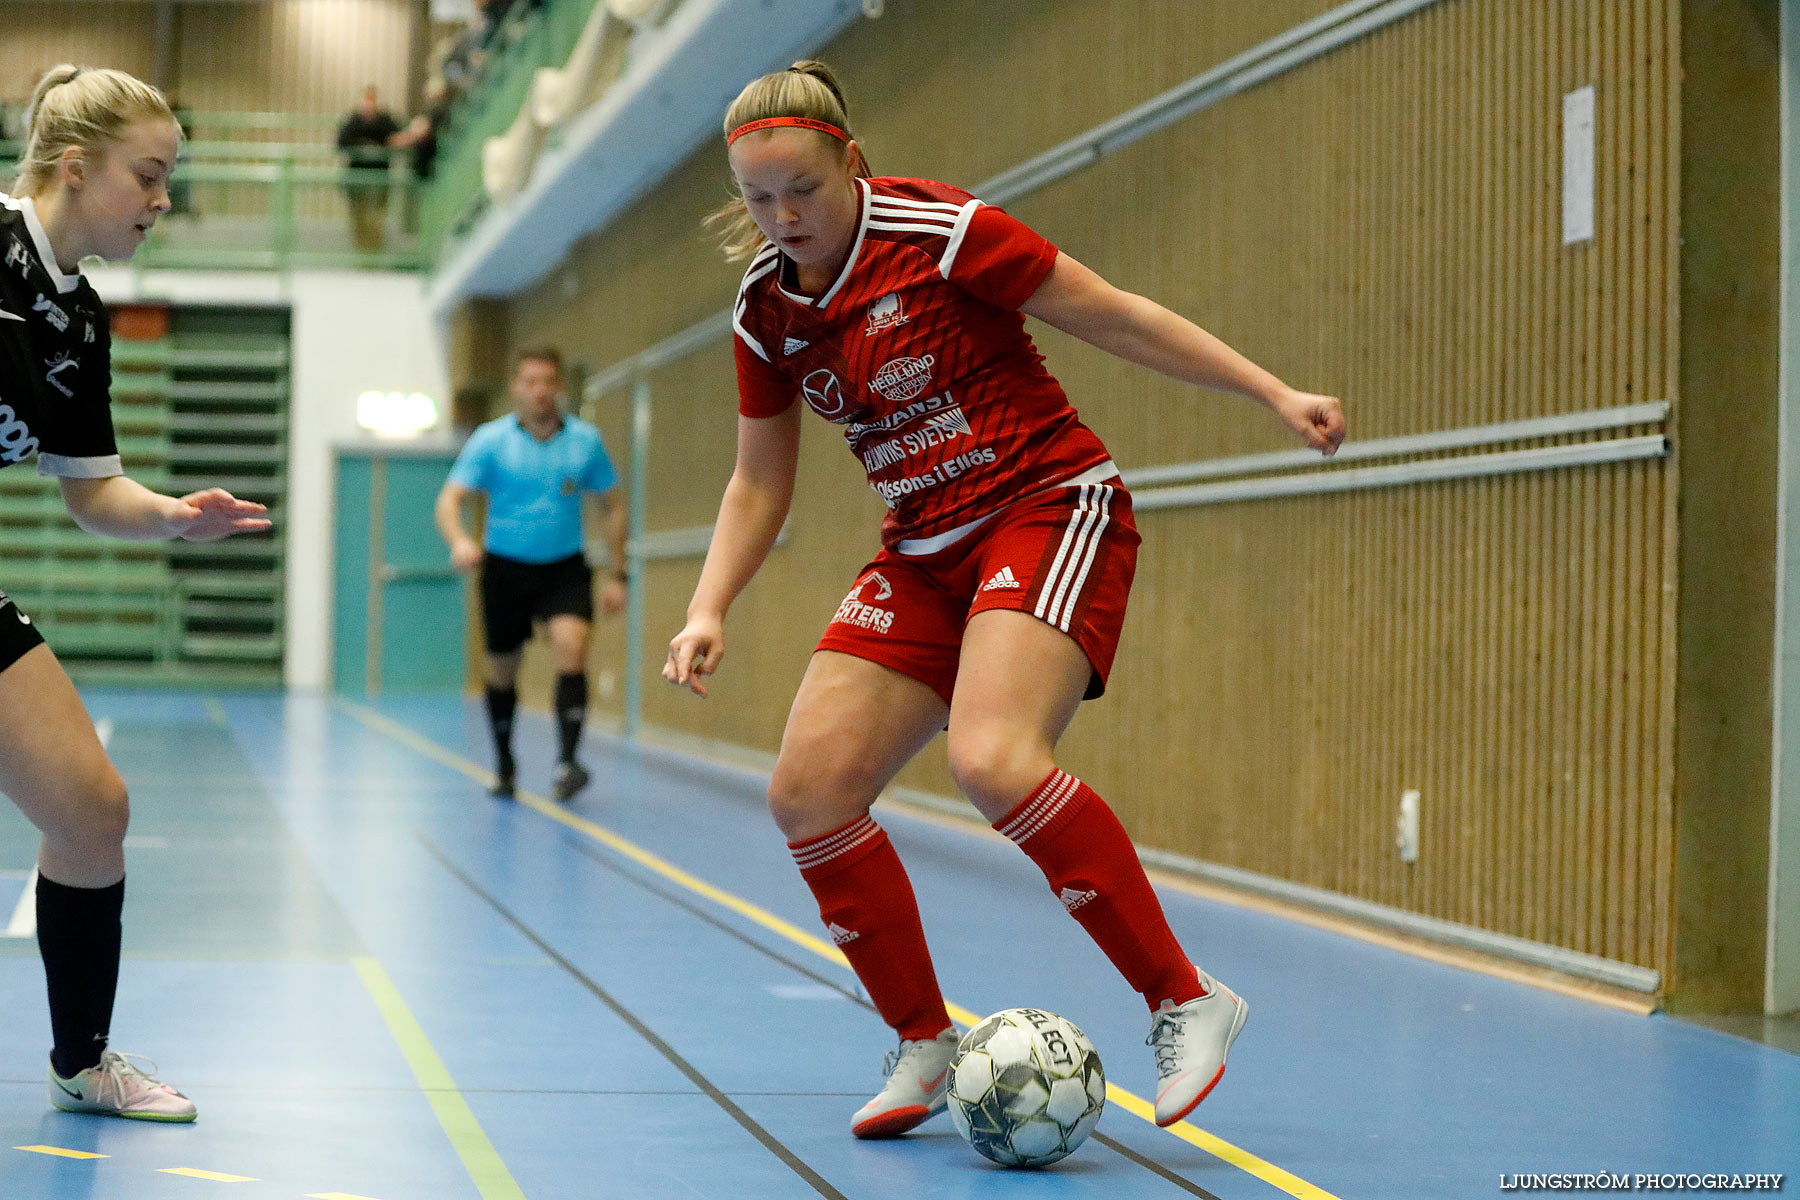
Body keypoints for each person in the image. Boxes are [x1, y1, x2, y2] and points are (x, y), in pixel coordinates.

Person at [663, 61, 1345, 1140]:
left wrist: (1271, 390)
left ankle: (1187, 997)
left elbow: (1113, 316)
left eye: (802, 189)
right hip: (925, 552)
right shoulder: (765, 311)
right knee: (808, 793)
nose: (782, 217)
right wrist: (708, 608)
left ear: (852, 161)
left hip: (1045, 507)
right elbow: (759, 478)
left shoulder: (938, 232)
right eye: (758, 199)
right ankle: (924, 1040)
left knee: (992, 758)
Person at [1, 63, 271, 1120]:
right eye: (149, 176)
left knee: (93, 810)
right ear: (78, 168)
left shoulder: (80, 323)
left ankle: (82, 1061)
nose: (164, 200)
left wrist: (170, 514)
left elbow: (90, 492)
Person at [436, 346, 627, 802]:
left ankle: (568, 762)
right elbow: (449, 500)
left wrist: (619, 573)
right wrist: (461, 540)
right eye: (530, 382)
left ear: (559, 386)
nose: (540, 391)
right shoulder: (490, 440)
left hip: (564, 566)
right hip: (505, 569)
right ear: (516, 388)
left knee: (571, 646)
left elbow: (613, 505)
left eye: (547, 382)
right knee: (502, 669)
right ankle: (504, 762)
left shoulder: (585, 441)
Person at [334, 85, 402, 255]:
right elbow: (341, 142)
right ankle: (361, 252)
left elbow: (396, 138)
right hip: (356, 178)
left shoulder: (386, 121)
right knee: (358, 217)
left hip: (380, 178)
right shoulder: (353, 121)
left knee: (377, 217)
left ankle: (375, 253)